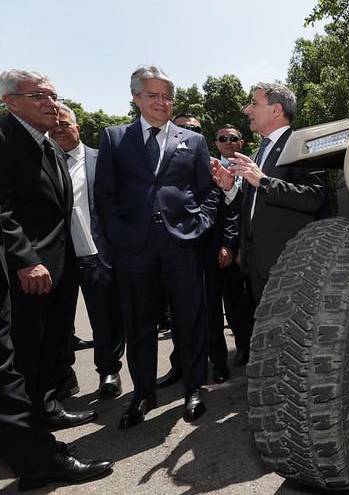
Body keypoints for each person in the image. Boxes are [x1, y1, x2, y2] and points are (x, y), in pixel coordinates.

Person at [94, 65, 217, 429]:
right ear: (136, 98)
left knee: (190, 320)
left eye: (167, 96)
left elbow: (207, 191)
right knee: (138, 324)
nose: (162, 102)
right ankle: (143, 394)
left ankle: (194, 388)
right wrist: (119, 235)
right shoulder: (115, 137)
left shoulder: (193, 140)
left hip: (183, 245)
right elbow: (105, 196)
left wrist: (201, 224)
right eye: (153, 95)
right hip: (134, 248)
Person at [0, 69, 97, 430]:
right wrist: (25, 259)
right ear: (11, 102)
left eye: (54, 96)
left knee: (51, 347)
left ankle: (47, 408)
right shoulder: (5, 139)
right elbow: (2, 208)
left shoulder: (49, 143)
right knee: (27, 353)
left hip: (59, 267)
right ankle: (30, 438)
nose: (51, 103)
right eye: (39, 96)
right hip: (28, 272)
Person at [1, 228, 114, 490]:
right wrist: (22, 256)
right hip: (24, 253)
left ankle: (36, 435)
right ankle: (37, 459)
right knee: (6, 370)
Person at [211, 83, 325, 307]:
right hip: (255, 268)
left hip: (290, 265)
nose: (246, 110)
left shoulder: (303, 145)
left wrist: (263, 181)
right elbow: (252, 207)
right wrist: (230, 188)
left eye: (254, 103)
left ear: (276, 110)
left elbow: (314, 197)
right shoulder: (257, 154)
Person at [49, 103, 125, 399]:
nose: (58, 130)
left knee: (105, 317)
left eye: (64, 124)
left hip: (97, 253)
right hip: (57, 256)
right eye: (53, 126)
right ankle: (64, 375)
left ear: (77, 128)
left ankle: (109, 370)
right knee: (58, 321)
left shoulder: (103, 159)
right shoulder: (44, 161)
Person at [157, 116, 237, 388]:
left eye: (195, 130)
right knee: (177, 314)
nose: (188, 133)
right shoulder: (161, 163)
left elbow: (229, 210)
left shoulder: (213, 165)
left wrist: (227, 244)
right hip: (172, 251)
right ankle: (180, 365)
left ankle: (219, 362)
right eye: (183, 128)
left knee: (210, 310)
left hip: (207, 250)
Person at [211, 125, 253, 367]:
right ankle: (242, 347)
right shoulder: (208, 169)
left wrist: (243, 247)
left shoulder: (253, 166)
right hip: (224, 251)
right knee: (233, 303)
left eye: (233, 138)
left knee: (256, 301)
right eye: (222, 138)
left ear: (241, 142)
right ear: (215, 143)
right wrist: (228, 246)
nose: (228, 141)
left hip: (252, 246)